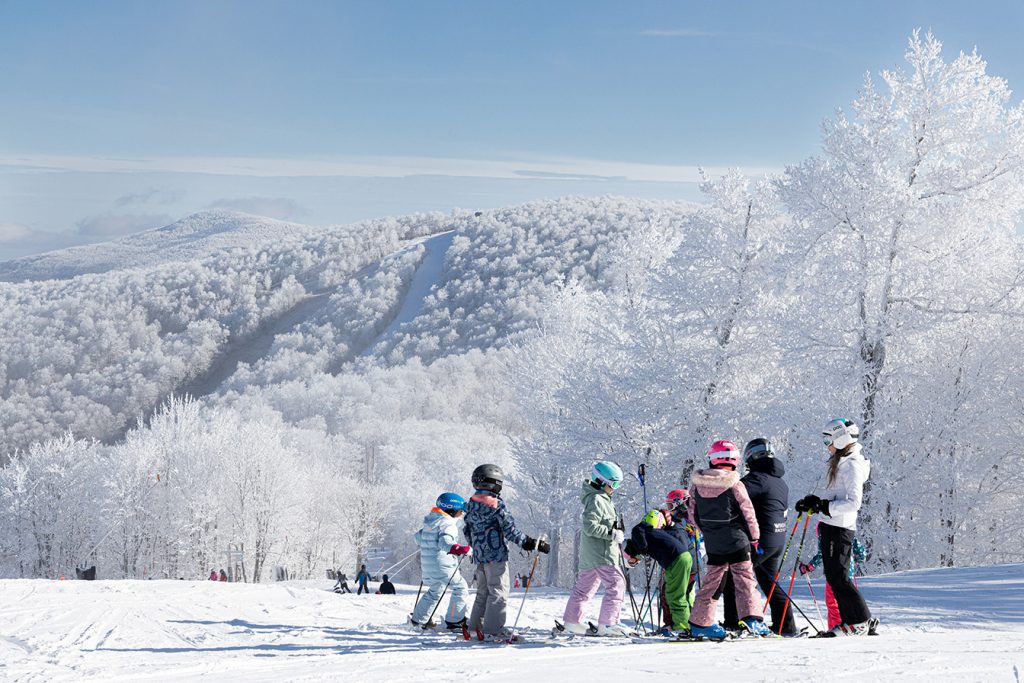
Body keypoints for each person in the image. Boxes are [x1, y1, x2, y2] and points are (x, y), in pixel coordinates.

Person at [795, 418, 876, 636]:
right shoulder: (841, 461)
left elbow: (853, 502)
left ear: (841, 438)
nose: (826, 445)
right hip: (832, 525)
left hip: (840, 528)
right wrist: (815, 502)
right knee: (834, 577)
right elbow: (835, 495)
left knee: (839, 577)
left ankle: (858, 622)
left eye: (827, 440)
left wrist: (824, 506)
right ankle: (853, 621)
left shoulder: (851, 465)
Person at [686, 440, 772, 639]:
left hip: (714, 543)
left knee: (712, 583)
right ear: (734, 461)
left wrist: (708, 532)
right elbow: (748, 513)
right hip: (737, 541)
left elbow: (693, 515)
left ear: (712, 459)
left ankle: (700, 623)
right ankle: (752, 620)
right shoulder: (735, 484)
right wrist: (755, 538)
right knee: (744, 580)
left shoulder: (696, 488)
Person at [722, 438, 799, 636]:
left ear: (750, 457)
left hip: (760, 540)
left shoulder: (756, 479)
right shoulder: (779, 481)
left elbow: (732, 494)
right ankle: (786, 626)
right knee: (769, 582)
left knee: (733, 575)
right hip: (776, 539)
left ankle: (733, 622)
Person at [464, 464, 549, 641]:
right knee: (498, 592)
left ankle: (475, 628)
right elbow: (510, 530)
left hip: (480, 557)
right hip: (496, 556)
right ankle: (493, 630)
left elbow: (467, 531)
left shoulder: (470, 505)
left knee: (483, 592)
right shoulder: (497, 505)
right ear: (493, 484)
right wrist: (531, 543)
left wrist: (476, 547)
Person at [562, 461, 630, 637]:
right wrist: (612, 534)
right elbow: (589, 526)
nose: (615, 488)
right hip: (601, 553)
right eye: (613, 484)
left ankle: (572, 621)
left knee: (584, 588)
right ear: (601, 481)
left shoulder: (600, 498)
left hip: (591, 554)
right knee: (617, 584)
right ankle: (608, 624)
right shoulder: (596, 499)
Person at [624, 508, 693, 633]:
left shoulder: (639, 530)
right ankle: (681, 624)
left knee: (674, 594)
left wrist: (641, 551)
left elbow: (642, 544)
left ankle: (682, 627)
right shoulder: (651, 532)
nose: (637, 561)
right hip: (680, 557)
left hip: (677, 559)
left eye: (633, 560)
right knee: (672, 593)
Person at [410, 493, 471, 629]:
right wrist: (459, 549)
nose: (461, 515)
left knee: (435, 589)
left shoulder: (430, 523)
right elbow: (445, 542)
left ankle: (419, 620)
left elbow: (417, 538)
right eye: (461, 511)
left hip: (428, 566)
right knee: (460, 588)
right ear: (452, 510)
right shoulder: (447, 523)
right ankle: (455, 620)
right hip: (443, 565)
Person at [800, 522, 867, 630]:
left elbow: (822, 553)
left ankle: (837, 629)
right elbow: (861, 553)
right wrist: (857, 558)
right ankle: (850, 626)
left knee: (833, 603)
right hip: (848, 572)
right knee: (848, 601)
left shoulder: (825, 527)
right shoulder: (845, 526)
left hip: (833, 572)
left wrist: (810, 567)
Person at [659, 489, 701, 631]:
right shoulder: (693, 518)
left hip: (682, 562)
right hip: (692, 562)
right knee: (685, 593)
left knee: (671, 593)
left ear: (680, 503)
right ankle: (690, 621)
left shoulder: (680, 522)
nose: (670, 510)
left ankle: (675, 624)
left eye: (671, 506)